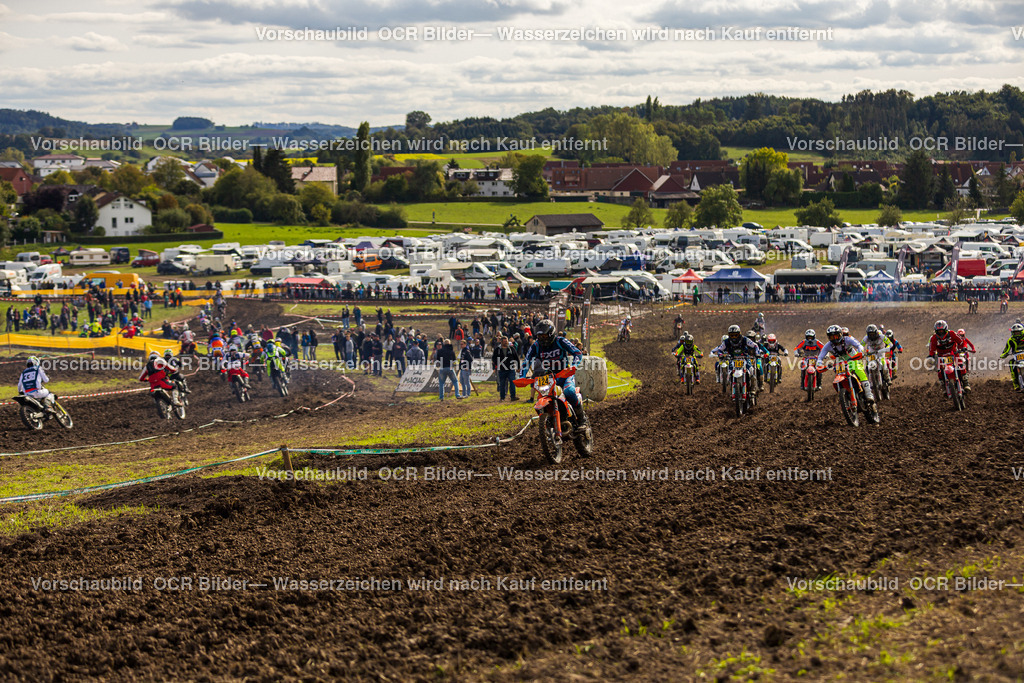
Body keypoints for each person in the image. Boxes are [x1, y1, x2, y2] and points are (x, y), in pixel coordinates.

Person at [520, 319, 588, 424]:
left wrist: (574, 366)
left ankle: (581, 418)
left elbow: (577, 353)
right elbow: (526, 361)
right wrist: (522, 376)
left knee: (569, 392)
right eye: (540, 336)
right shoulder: (536, 346)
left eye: (544, 336)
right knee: (541, 397)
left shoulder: (560, 341)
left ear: (551, 334)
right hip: (548, 377)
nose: (542, 339)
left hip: (565, 374)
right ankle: (549, 420)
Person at [816, 325, 874, 403]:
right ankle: (845, 395)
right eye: (832, 337)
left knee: (859, 371)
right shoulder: (828, 345)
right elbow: (820, 356)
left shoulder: (848, 339)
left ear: (841, 334)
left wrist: (860, 352)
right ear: (829, 337)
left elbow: (859, 345)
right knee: (838, 374)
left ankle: (869, 394)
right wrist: (819, 364)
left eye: (836, 336)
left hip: (853, 357)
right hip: (840, 362)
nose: (835, 339)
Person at [711, 325, 761, 393]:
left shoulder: (744, 339)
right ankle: (732, 385)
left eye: (735, 335)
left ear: (739, 334)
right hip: (732, 359)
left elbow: (755, 345)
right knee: (729, 372)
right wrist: (720, 355)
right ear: (729, 335)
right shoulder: (727, 341)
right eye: (732, 335)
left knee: (751, 371)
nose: (734, 337)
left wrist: (757, 353)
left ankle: (753, 388)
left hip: (745, 358)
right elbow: (720, 349)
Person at [928, 320, 969, 391]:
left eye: (942, 331)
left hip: (953, 353)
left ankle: (966, 383)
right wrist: (931, 356)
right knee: (939, 371)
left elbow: (960, 341)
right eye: (939, 331)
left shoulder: (952, 334)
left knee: (961, 365)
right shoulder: (934, 338)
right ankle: (944, 387)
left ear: (946, 329)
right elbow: (932, 349)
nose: (941, 333)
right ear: (936, 331)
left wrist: (963, 348)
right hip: (941, 356)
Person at [999, 323, 1024, 391]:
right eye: (1015, 333)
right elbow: (1006, 349)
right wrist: (1004, 354)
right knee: (1011, 363)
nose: (1017, 334)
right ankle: (1015, 383)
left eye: (1018, 332)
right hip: (1017, 357)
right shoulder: (1010, 340)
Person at [493, 336, 519, 400]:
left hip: (511, 369)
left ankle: (513, 396)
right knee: (502, 384)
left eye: (507, 341)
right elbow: (494, 358)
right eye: (504, 341)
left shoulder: (511, 348)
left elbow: (516, 358)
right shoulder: (497, 349)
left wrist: (518, 367)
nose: (506, 342)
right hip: (502, 370)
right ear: (501, 342)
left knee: (512, 383)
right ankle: (502, 397)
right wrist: (497, 365)